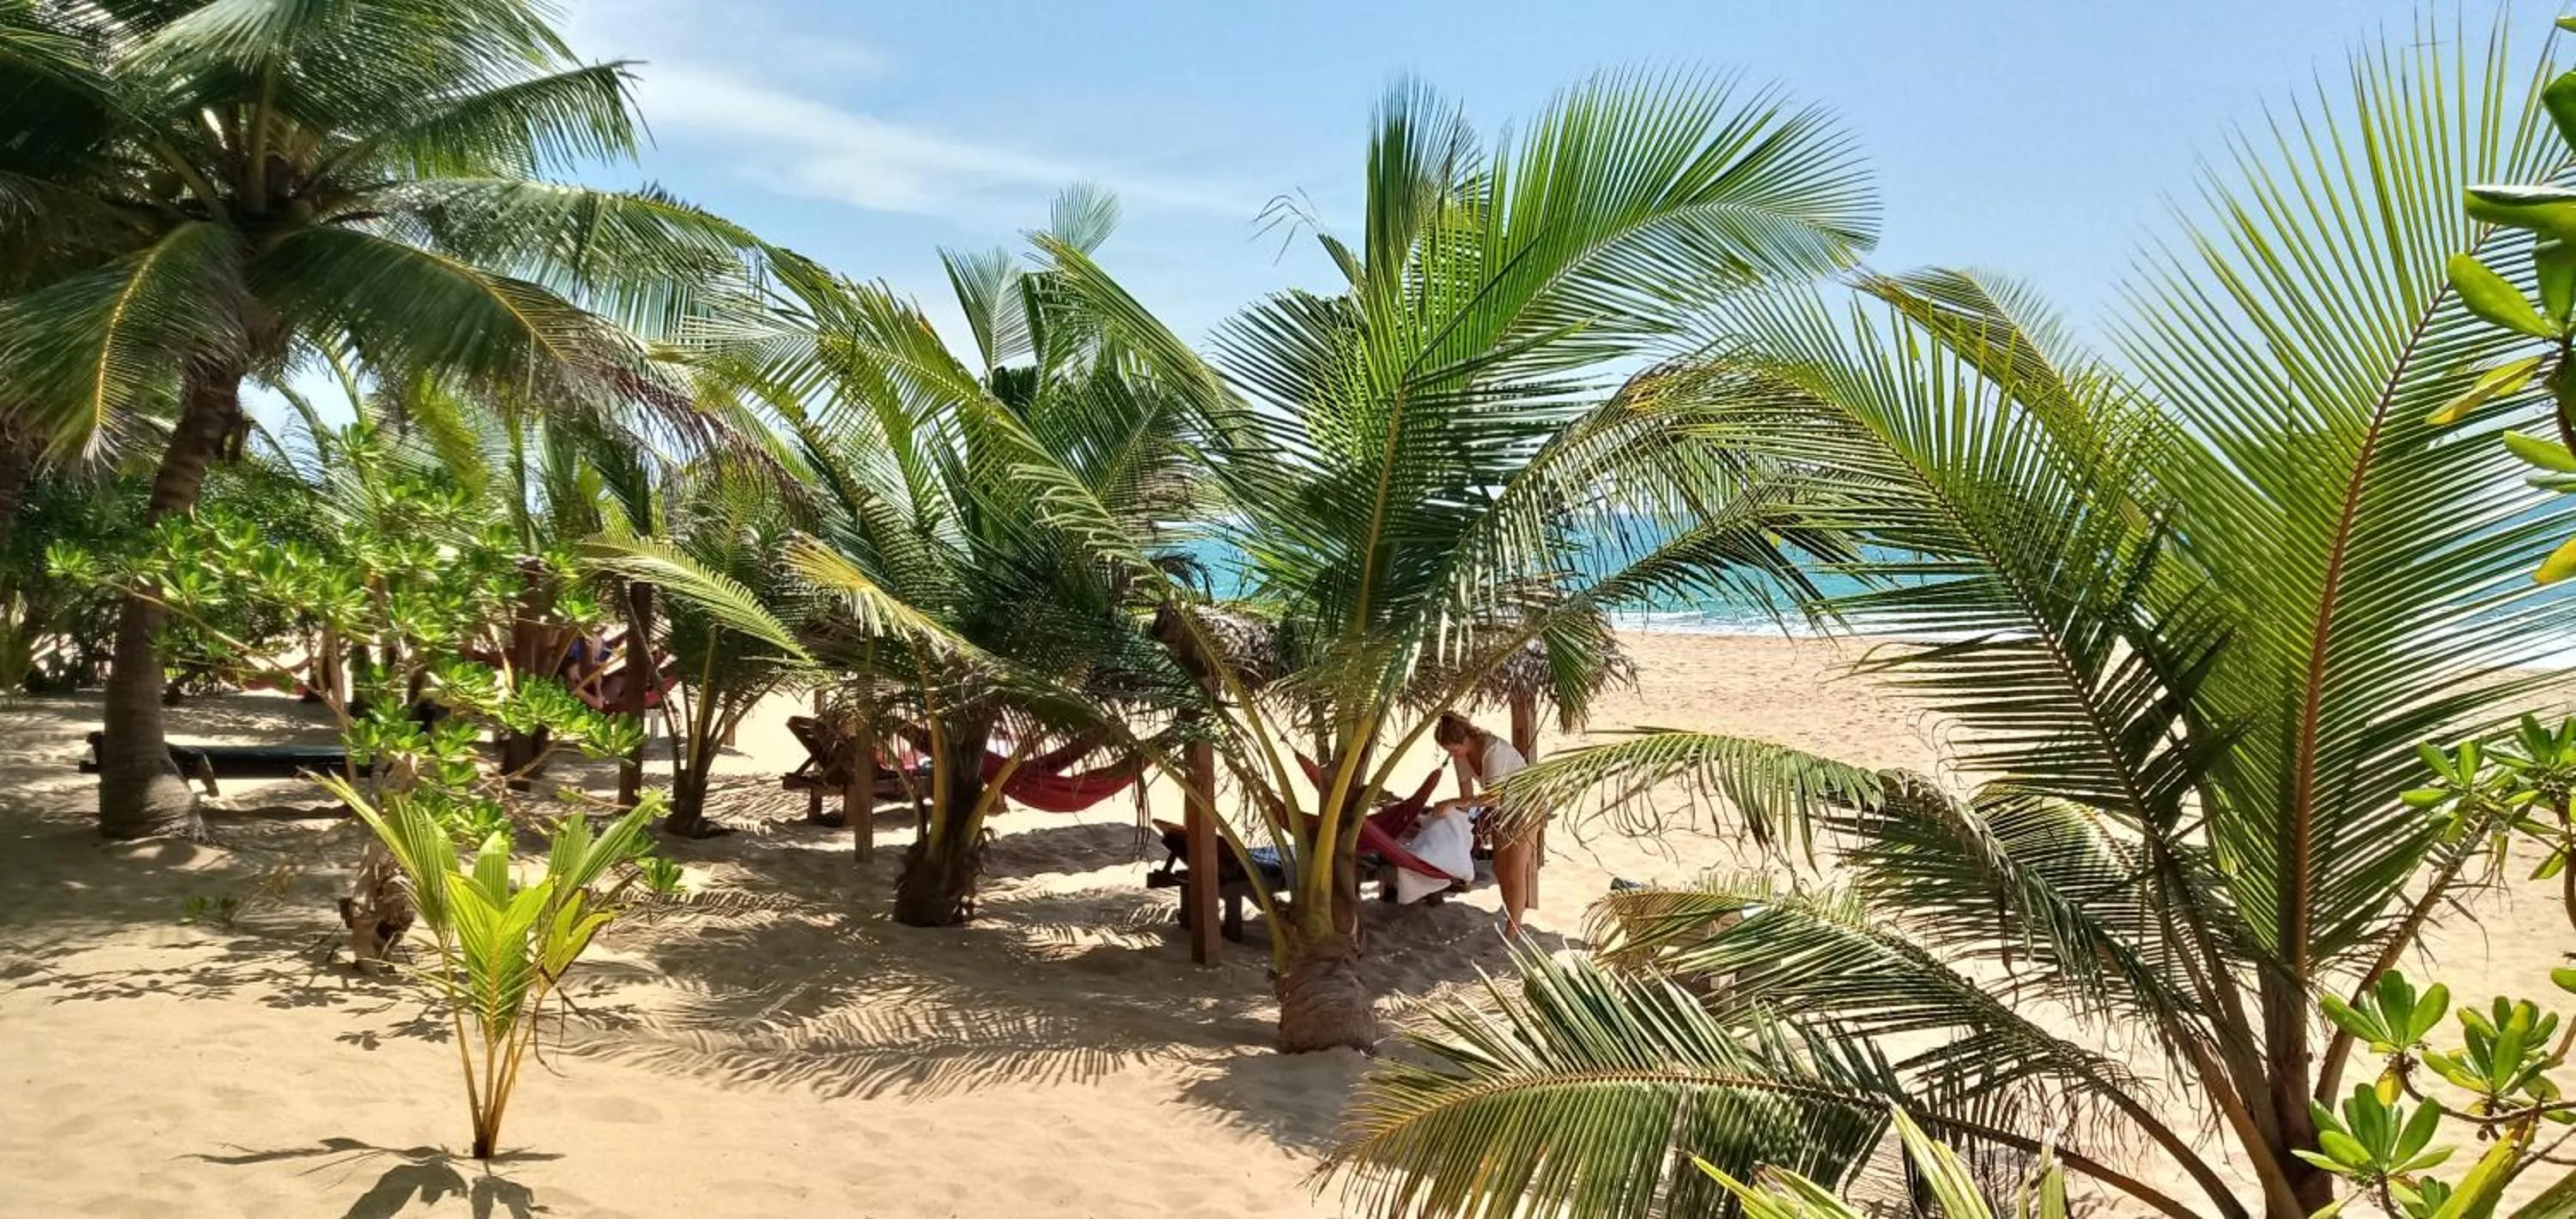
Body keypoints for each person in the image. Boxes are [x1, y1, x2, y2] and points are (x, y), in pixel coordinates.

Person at [1432, 712, 1536, 933]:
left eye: (1454, 749)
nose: (1452, 755)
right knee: (1499, 868)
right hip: (1502, 809)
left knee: (1515, 871)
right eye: (1449, 751)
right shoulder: (1460, 757)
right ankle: (1511, 917)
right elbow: (1467, 799)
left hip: (1526, 805)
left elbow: (1492, 797)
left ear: (1467, 739)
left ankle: (1513, 931)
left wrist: (1452, 802)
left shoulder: (1493, 750)